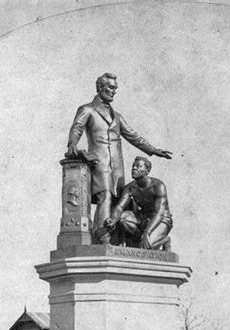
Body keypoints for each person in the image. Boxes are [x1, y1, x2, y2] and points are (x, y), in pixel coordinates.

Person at [66, 73, 172, 244]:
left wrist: (153, 150)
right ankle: (102, 238)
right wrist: (72, 145)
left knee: (118, 201)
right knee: (105, 196)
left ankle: (116, 240)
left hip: (118, 169)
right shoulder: (87, 110)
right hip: (99, 163)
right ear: (100, 88)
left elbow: (133, 136)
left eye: (115, 88)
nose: (114, 92)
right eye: (111, 88)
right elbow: (77, 128)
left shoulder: (117, 116)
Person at [104, 156, 172, 250]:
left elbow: (159, 213)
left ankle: (164, 239)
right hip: (143, 218)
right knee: (122, 218)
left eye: (138, 166)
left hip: (161, 219)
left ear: (147, 171)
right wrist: (113, 220)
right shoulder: (130, 188)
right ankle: (141, 238)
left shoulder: (158, 186)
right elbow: (120, 207)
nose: (134, 168)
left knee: (147, 247)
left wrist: (147, 232)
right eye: (133, 166)